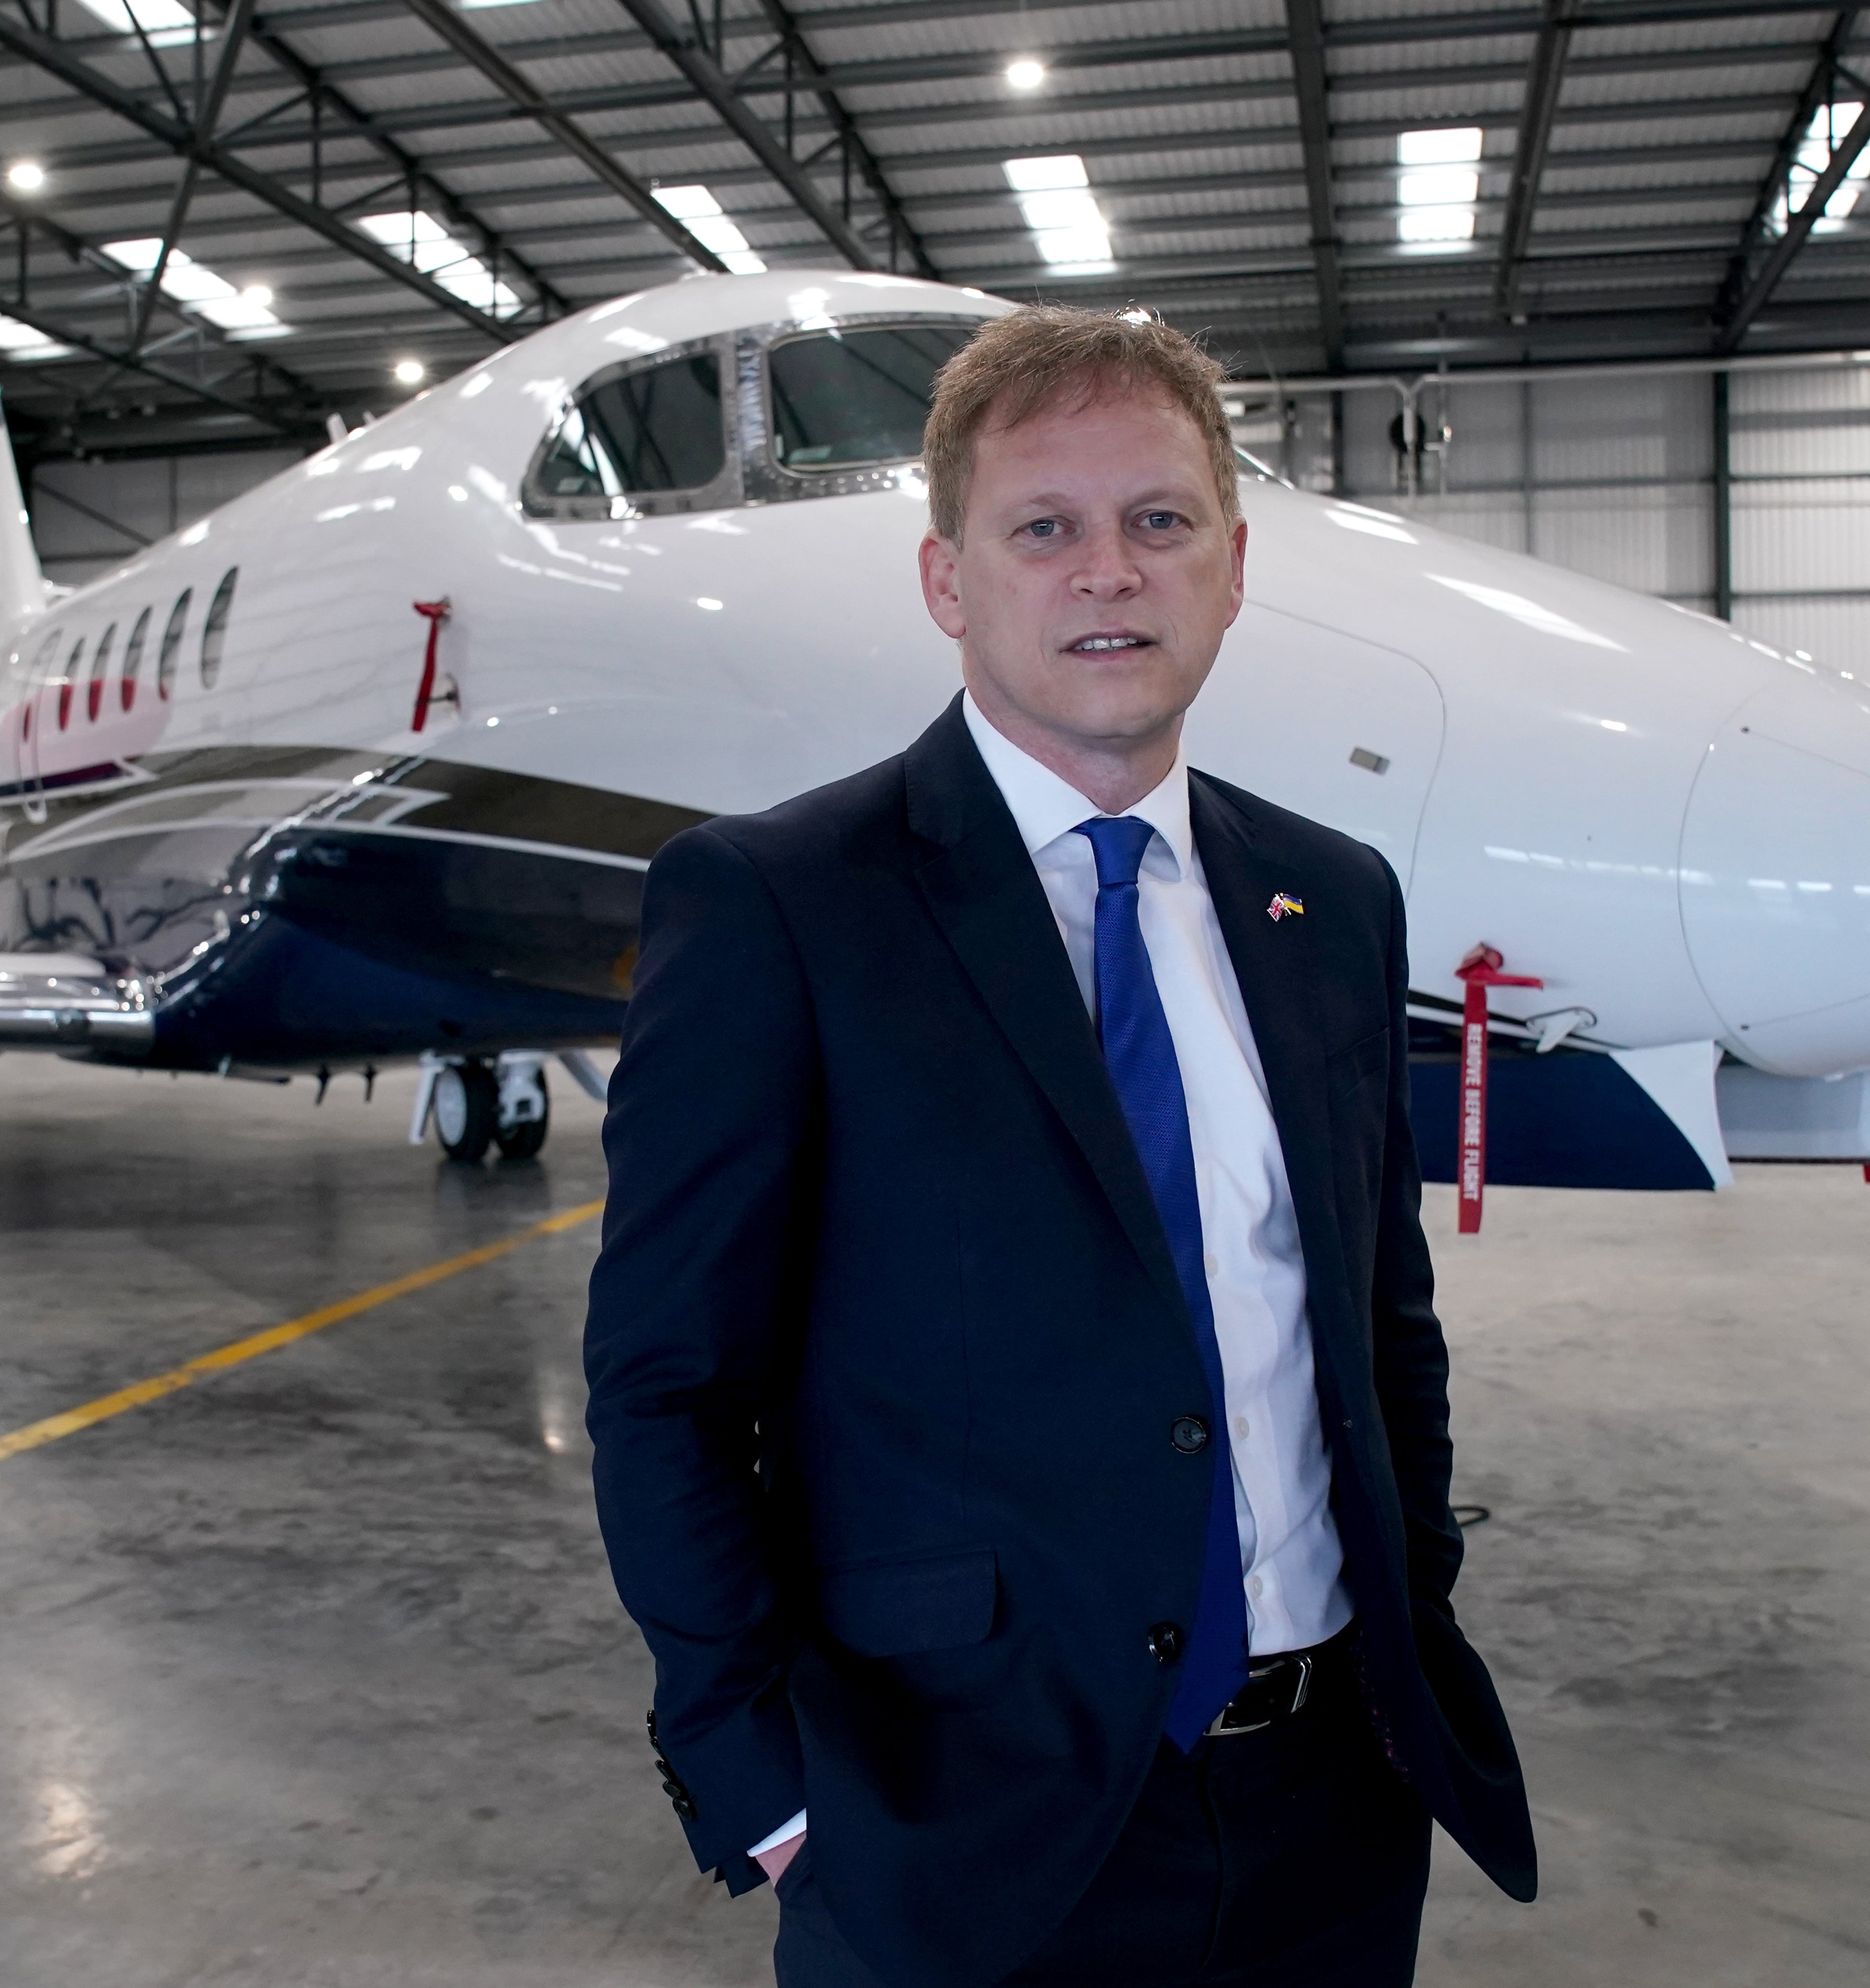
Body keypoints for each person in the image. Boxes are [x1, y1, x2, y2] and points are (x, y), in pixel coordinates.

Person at [582, 303, 1534, 1988]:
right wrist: (760, 1775)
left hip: (1326, 1802)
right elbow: (669, 1384)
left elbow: (1381, 1323)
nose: (1108, 572)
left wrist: (1412, 1612)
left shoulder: (1327, 901)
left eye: (1157, 522)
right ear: (951, 581)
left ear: (1229, 569)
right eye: (1046, 529)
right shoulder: (779, 905)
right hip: (953, 1820)